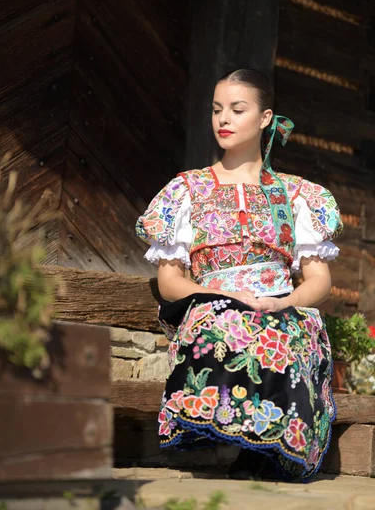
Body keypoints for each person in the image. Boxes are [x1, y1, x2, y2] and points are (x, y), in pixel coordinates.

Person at [135, 69, 343, 481]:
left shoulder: (297, 195)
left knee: (283, 332)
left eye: (236, 109)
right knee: (230, 323)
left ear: (265, 118)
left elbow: (319, 281)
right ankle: (251, 444)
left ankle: (270, 451)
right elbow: (170, 282)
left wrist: (285, 301)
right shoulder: (187, 189)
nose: (223, 119)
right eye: (216, 110)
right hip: (211, 304)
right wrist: (217, 294)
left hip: (283, 305)